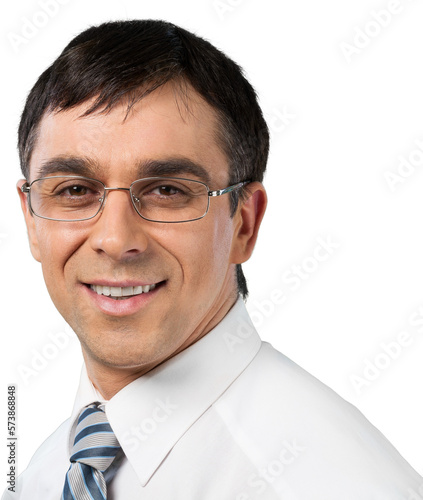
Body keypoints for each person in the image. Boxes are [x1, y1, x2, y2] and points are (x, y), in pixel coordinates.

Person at [4, 19, 422, 500]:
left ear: (244, 223)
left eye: (167, 191)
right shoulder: (41, 472)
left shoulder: (332, 484)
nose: (116, 239)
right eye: (75, 191)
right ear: (33, 220)